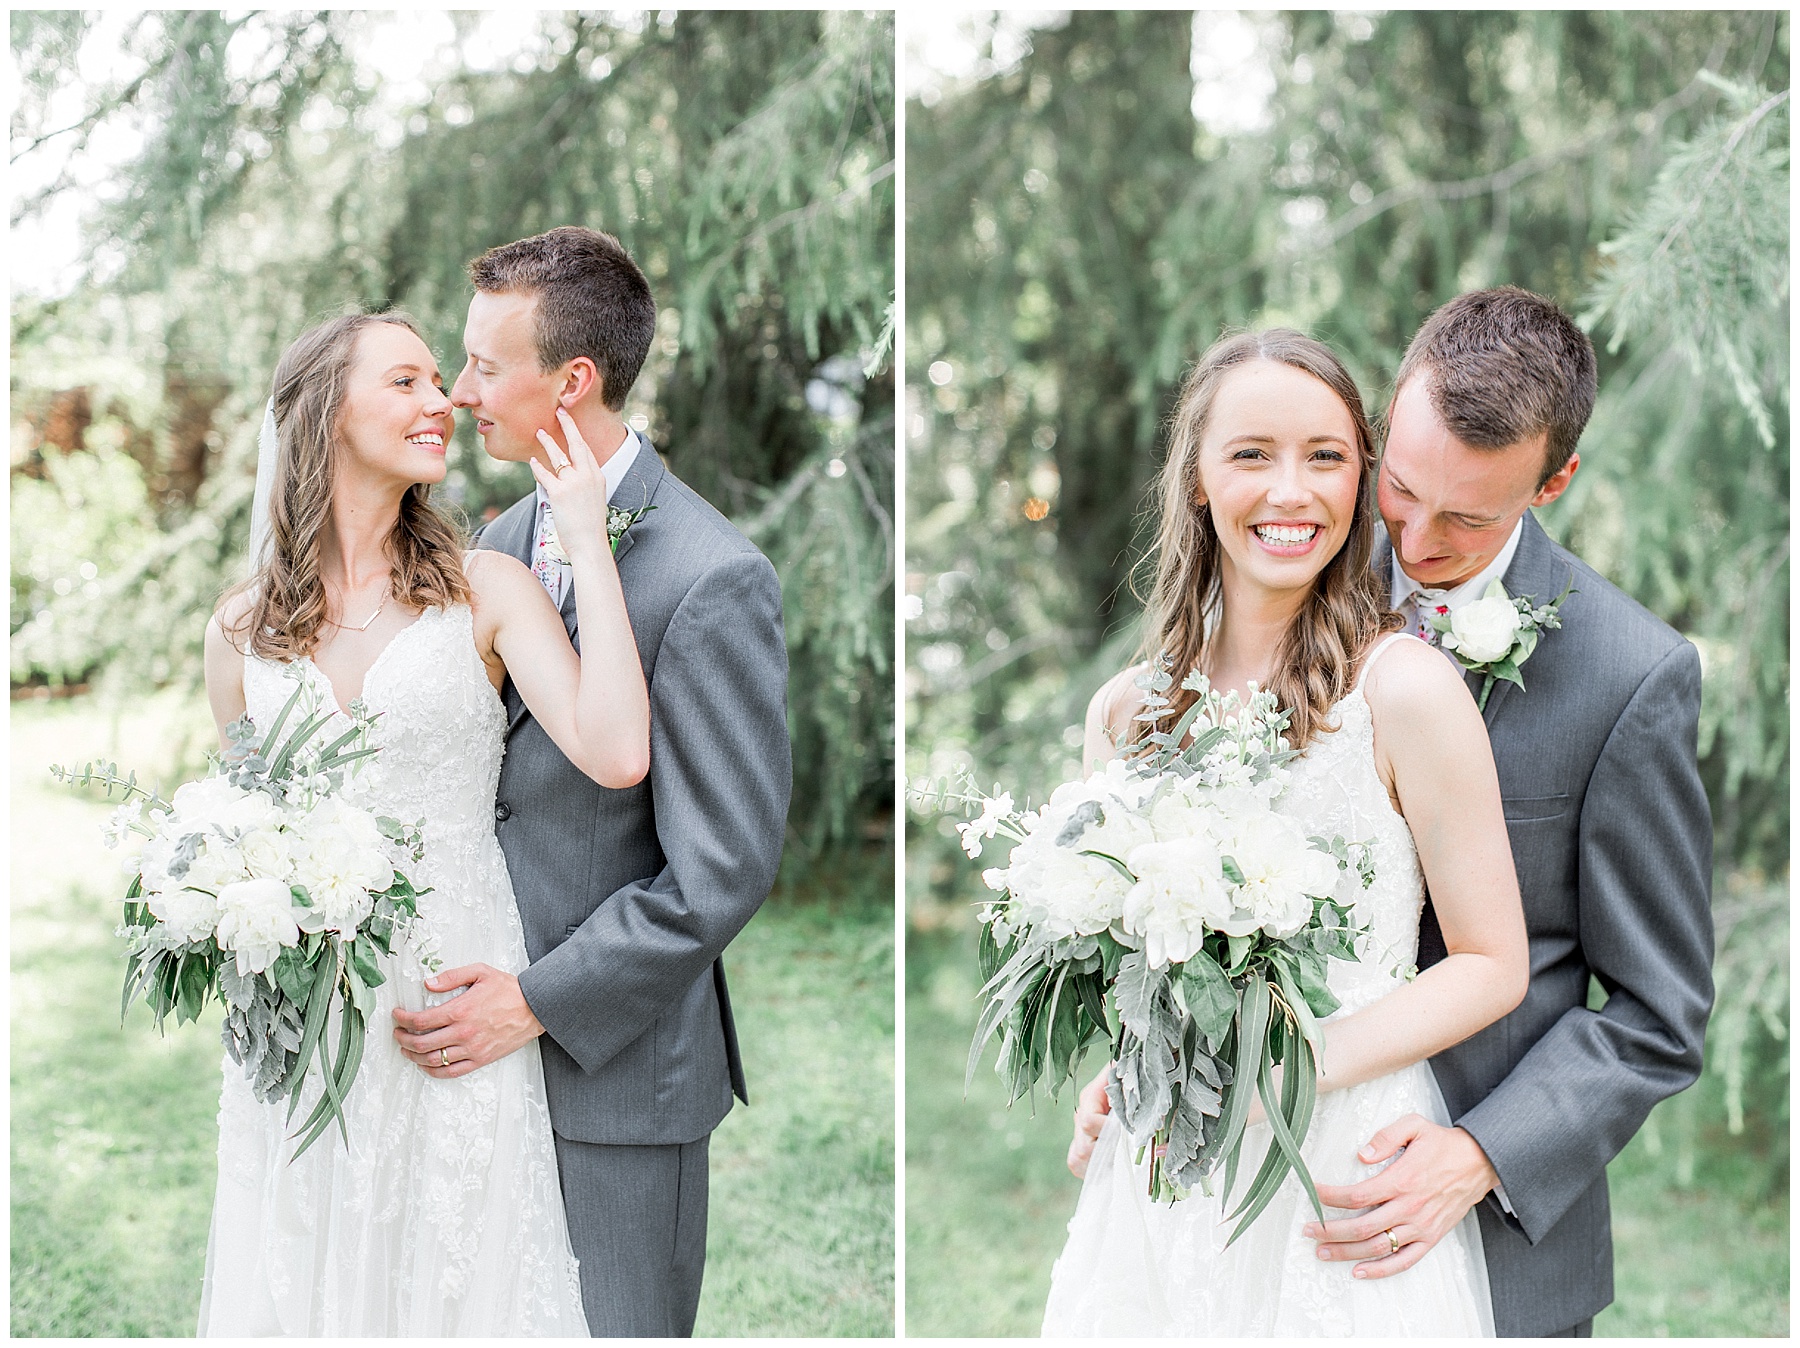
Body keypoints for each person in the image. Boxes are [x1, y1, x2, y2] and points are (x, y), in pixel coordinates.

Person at [1068, 289, 1714, 1337]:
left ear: (1554, 482)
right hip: (1221, 1176)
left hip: (1463, 1224)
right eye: (1399, 490)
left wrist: (1485, 1152)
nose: (1412, 539)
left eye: (1466, 517)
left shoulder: (1629, 676)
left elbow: (1659, 1012)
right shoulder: (1293, 545)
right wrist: (1148, 1057)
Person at [1041, 329, 1528, 1336]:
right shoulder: (1125, 715)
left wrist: (1291, 1070)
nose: (1291, 490)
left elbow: (1491, 962)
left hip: (1343, 1168)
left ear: (1361, 478)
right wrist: (1134, 1063)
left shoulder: (1406, 690)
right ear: (1200, 480)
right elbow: (1152, 957)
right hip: (1169, 1165)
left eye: (1325, 456)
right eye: (1252, 454)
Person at [198, 309, 649, 1334]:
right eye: (405, 380)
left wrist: (584, 535)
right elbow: (242, 826)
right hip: (306, 1014)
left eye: (441, 379)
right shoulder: (237, 630)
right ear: (324, 411)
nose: (441, 400)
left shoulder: (489, 590)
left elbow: (618, 750)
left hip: (452, 1001)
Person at [391, 226, 791, 1336]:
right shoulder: (498, 541)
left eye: (484, 364)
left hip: (617, 1081)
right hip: (473, 1061)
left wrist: (539, 998)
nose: (462, 390)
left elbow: (721, 872)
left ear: (572, 382)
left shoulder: (713, 577)